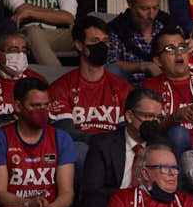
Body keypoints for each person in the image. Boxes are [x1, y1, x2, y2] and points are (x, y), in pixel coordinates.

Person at [0, 76, 78, 207]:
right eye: (35, 106)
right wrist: (26, 204)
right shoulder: (0, 138)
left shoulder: (61, 138)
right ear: (18, 106)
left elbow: (67, 192)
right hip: (15, 206)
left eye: (46, 105)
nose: (42, 111)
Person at [75, 86, 164, 207]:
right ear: (129, 116)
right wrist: (129, 199)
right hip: (112, 206)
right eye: (148, 116)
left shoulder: (162, 146)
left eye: (158, 117)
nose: (154, 122)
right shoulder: (103, 144)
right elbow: (92, 189)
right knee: (93, 204)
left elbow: (169, 188)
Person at [48, 15, 134, 153]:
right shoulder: (61, 87)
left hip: (113, 153)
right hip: (81, 152)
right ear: (79, 45)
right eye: (95, 40)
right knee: (79, 149)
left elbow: (128, 132)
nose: (101, 46)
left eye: (105, 41)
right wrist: (101, 140)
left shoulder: (123, 88)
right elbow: (66, 132)